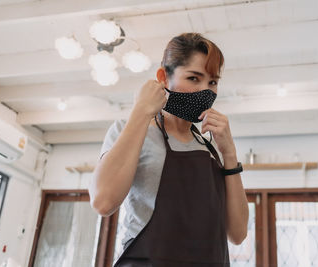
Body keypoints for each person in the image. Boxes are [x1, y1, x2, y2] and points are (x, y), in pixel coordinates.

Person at [89, 32, 249, 266]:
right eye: (194, 78)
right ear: (164, 77)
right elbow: (103, 202)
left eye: (212, 82)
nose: (205, 91)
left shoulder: (210, 145)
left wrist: (230, 154)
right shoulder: (129, 129)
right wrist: (141, 112)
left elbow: (238, 233)